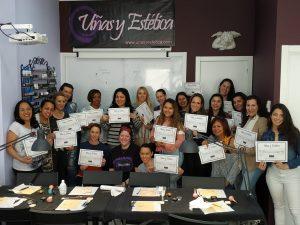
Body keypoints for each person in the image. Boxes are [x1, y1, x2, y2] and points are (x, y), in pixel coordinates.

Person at [258, 104, 300, 225]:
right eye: (275, 114)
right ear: (270, 116)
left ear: (285, 117)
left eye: (281, 115)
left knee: (295, 211)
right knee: (278, 206)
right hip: (273, 175)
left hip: (292, 175)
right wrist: (262, 164)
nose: (278, 118)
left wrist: (288, 165)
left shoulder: (293, 133)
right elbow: (264, 157)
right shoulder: (266, 135)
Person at [151, 98, 185, 187]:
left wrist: (168, 146)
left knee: (171, 179)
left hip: (174, 153)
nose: (167, 110)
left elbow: (180, 140)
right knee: (162, 178)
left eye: (170, 108)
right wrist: (155, 141)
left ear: (174, 110)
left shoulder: (178, 122)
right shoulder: (159, 119)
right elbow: (152, 135)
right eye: (165, 107)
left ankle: (172, 199)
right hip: (161, 152)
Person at [202, 117, 240, 189]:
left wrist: (228, 181)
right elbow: (204, 148)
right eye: (214, 126)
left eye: (219, 126)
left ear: (224, 127)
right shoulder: (212, 139)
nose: (216, 129)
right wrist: (204, 143)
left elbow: (238, 163)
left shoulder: (232, 141)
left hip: (228, 182)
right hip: (214, 180)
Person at [240, 95, 268, 191]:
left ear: (258, 106)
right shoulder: (248, 120)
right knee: (250, 194)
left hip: (255, 164)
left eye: (253, 105)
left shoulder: (262, 120)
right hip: (244, 162)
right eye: (248, 105)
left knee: (244, 192)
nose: (250, 108)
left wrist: (245, 149)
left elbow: (262, 145)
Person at [180, 93, 211, 177]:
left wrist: (198, 135)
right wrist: (182, 130)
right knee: (188, 177)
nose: (195, 105)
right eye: (193, 102)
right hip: (187, 152)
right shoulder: (184, 117)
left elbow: (208, 137)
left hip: (199, 154)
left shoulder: (206, 119)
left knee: (199, 176)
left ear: (201, 105)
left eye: (198, 103)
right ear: (190, 103)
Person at [6, 100, 41, 174]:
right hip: (23, 170)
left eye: (28, 109)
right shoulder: (15, 126)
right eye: (22, 110)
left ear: (32, 110)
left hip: (37, 166)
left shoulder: (35, 125)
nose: (26, 112)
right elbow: (9, 147)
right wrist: (21, 159)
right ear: (17, 113)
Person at [49, 92, 77, 185]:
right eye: (59, 101)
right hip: (50, 153)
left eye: (64, 101)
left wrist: (71, 145)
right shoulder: (49, 116)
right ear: (54, 102)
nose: (61, 103)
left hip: (63, 152)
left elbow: (70, 134)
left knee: (62, 177)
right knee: (52, 178)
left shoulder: (67, 116)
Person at [35, 99, 55, 172]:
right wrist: (47, 138)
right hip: (36, 161)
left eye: (52, 110)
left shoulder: (52, 120)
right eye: (46, 108)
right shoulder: (34, 120)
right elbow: (30, 140)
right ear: (40, 108)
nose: (49, 112)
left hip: (48, 160)